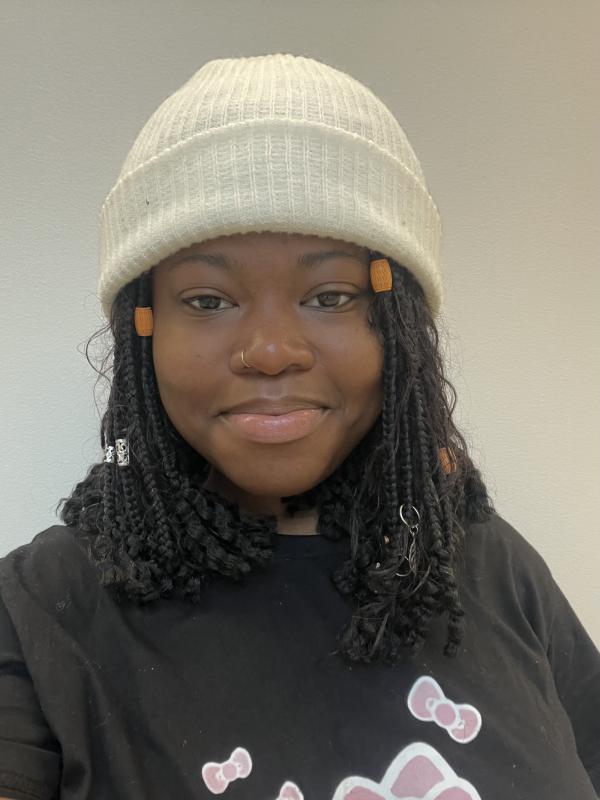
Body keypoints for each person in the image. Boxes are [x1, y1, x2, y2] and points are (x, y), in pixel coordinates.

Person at [0, 52, 598, 800]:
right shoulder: (41, 608)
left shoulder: (490, 564)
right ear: (142, 329)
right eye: (209, 301)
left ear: (401, 324)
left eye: (332, 295)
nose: (272, 352)